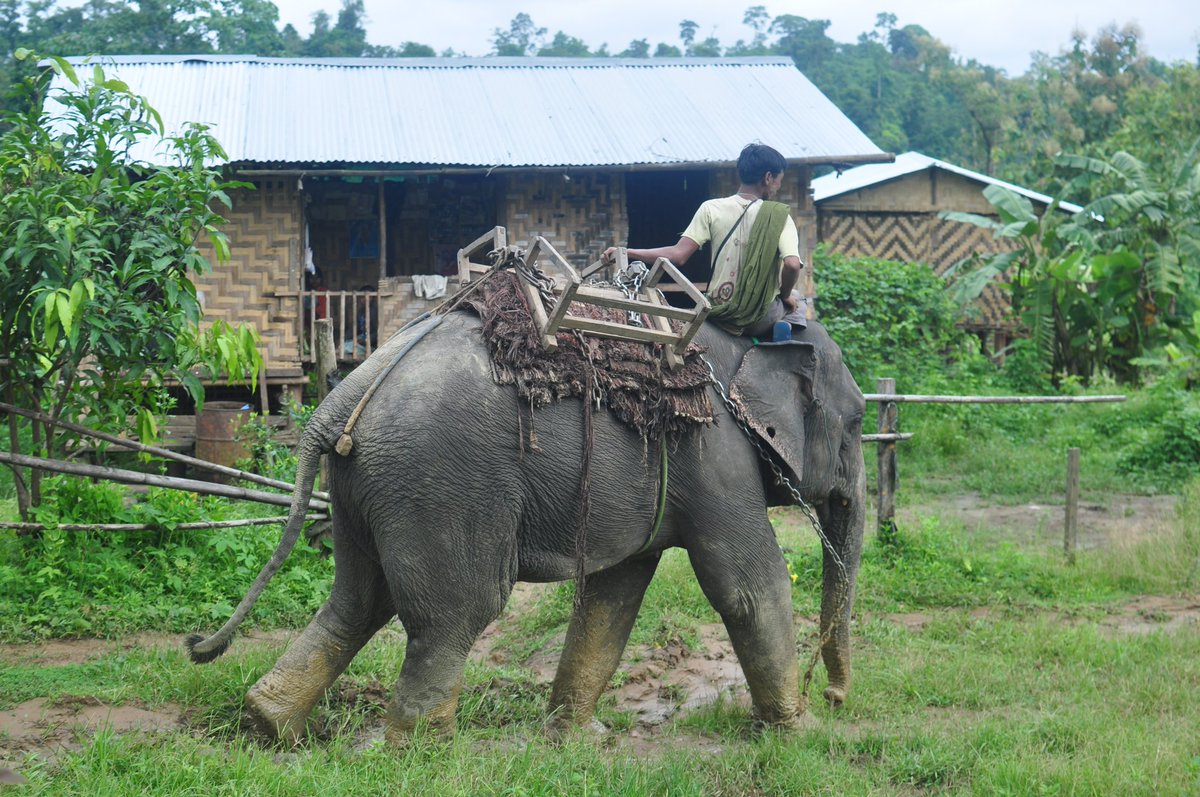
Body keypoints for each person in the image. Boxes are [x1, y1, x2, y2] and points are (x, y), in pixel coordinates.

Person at [605, 143, 806, 338]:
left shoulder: (711, 208)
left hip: (719, 310)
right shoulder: (779, 216)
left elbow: (678, 255)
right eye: (779, 180)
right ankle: (783, 337)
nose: (778, 187)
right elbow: (792, 264)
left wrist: (627, 252)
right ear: (768, 177)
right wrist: (786, 294)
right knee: (798, 300)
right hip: (759, 317)